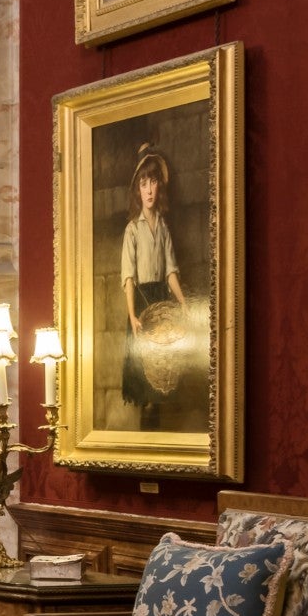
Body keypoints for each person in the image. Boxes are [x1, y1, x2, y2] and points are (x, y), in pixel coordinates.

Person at [119, 145, 186, 427]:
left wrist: (182, 302)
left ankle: (158, 437)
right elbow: (129, 277)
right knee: (144, 380)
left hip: (161, 301)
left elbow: (170, 270)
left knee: (162, 376)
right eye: (143, 184)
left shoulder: (163, 227)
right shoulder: (132, 229)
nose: (148, 190)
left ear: (160, 186)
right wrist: (133, 315)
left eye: (153, 182)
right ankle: (145, 437)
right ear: (138, 190)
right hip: (142, 302)